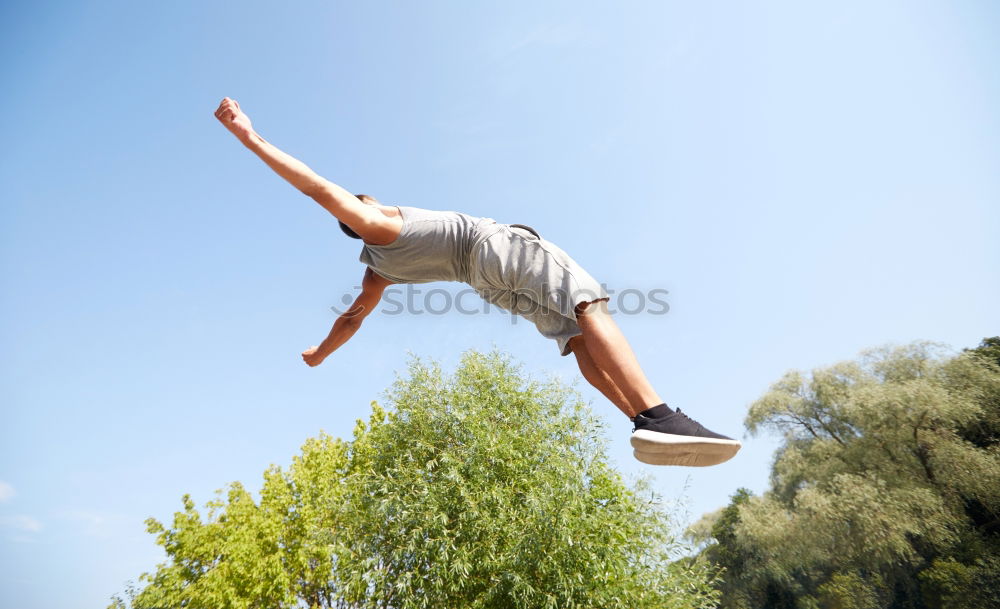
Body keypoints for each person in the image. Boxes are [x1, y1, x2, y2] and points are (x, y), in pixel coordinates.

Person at [213, 97, 740, 467]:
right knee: (589, 305)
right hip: (495, 250)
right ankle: (661, 414)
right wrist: (248, 135)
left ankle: (640, 423)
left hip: (488, 285)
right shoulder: (380, 223)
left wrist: (321, 354)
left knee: (576, 339)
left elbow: (353, 317)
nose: (366, 200)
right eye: (361, 202)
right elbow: (319, 188)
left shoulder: (378, 270)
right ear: (361, 212)